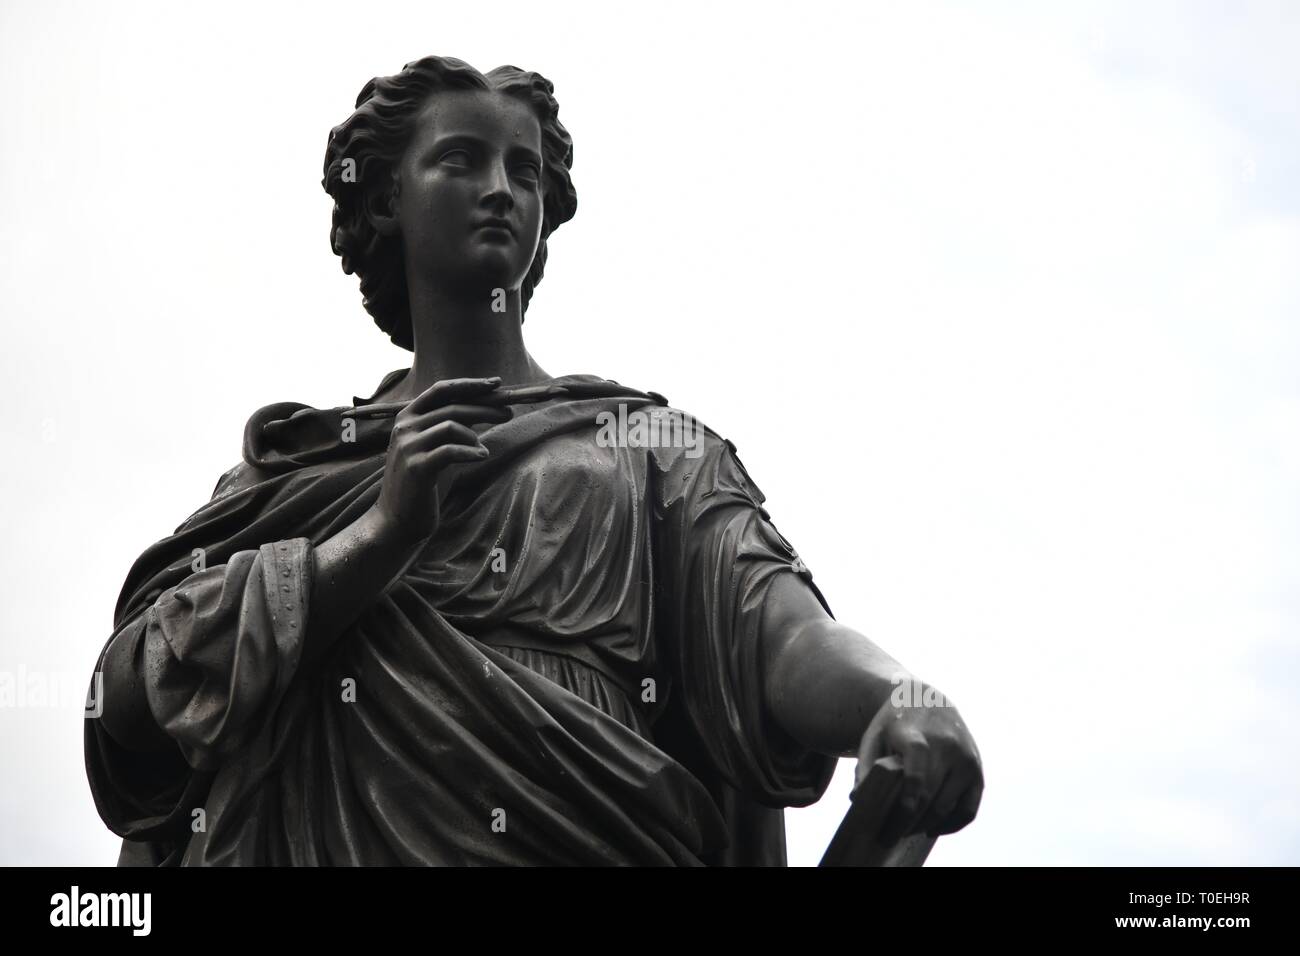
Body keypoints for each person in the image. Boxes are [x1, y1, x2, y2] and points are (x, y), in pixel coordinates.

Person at [85, 55, 983, 865]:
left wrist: (896, 697)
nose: (501, 190)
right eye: (462, 160)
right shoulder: (291, 478)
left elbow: (780, 634)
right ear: (388, 198)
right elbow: (133, 699)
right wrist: (381, 537)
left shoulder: (644, 447)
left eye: (523, 170)